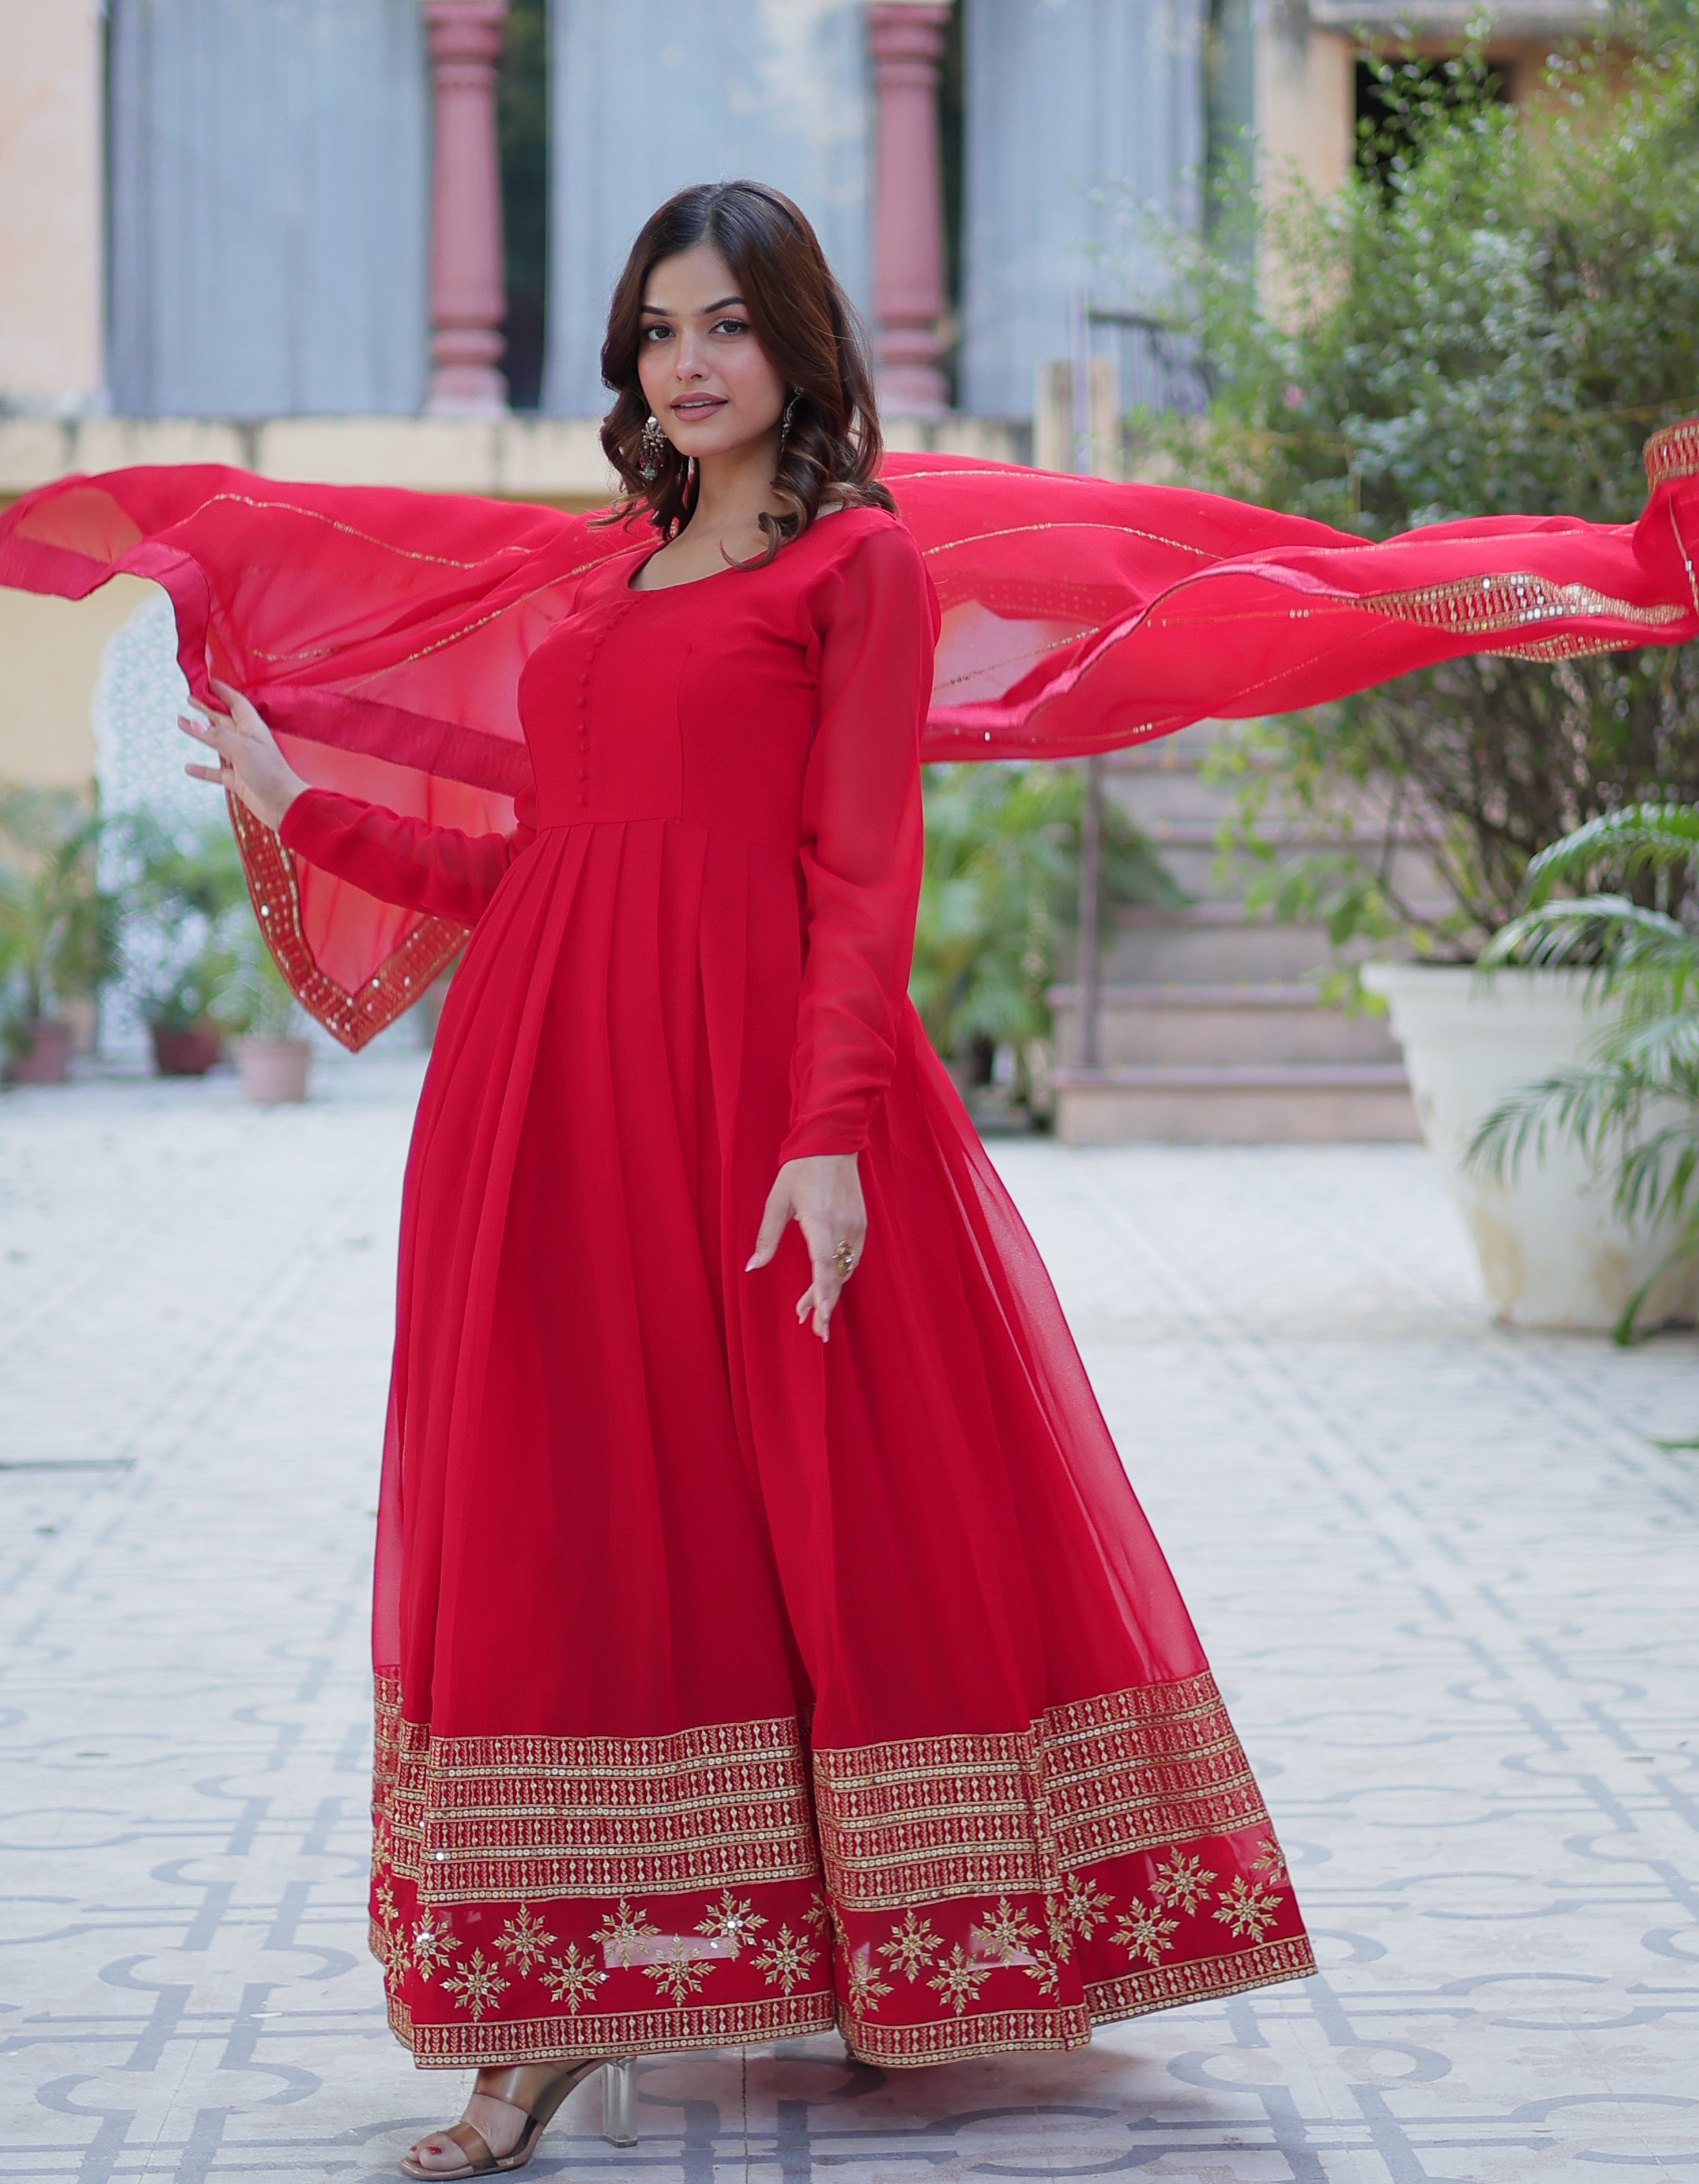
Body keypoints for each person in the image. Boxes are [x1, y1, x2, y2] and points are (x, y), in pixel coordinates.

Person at [180, 183, 1314, 2176]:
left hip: (750, 1092)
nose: (687, 364)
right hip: (542, 1105)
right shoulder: (614, 577)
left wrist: (830, 1135)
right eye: (656, 330)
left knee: (818, 1500)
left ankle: (892, 1938)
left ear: (797, 341)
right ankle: (548, 2006)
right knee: (565, 1511)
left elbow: (864, 874)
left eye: (724, 325)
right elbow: (544, 872)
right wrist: (302, 804)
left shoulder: (855, 569)